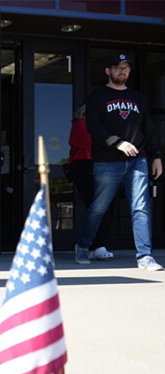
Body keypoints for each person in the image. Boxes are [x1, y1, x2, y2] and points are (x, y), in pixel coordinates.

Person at [75, 53, 163, 270]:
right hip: (107, 161)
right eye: (117, 68)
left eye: (125, 68)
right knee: (98, 208)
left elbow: (148, 130)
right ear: (108, 71)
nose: (122, 71)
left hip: (138, 161)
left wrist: (157, 156)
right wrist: (117, 143)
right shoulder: (96, 97)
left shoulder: (138, 98)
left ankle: (144, 257)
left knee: (141, 208)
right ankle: (83, 246)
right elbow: (94, 128)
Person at [68, 104, 115, 260]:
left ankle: (96, 245)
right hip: (86, 167)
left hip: (99, 166)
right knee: (97, 207)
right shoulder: (81, 124)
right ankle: (92, 245)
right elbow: (92, 144)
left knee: (103, 207)